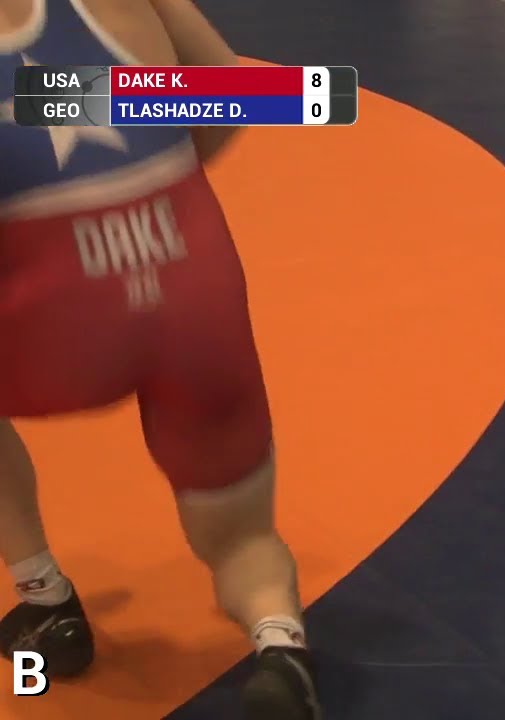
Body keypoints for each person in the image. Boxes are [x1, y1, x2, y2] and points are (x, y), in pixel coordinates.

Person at [0, 1, 319, 717]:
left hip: (58, 317)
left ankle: (45, 599)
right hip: (194, 288)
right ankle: (279, 638)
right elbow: (235, 95)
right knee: (244, 537)